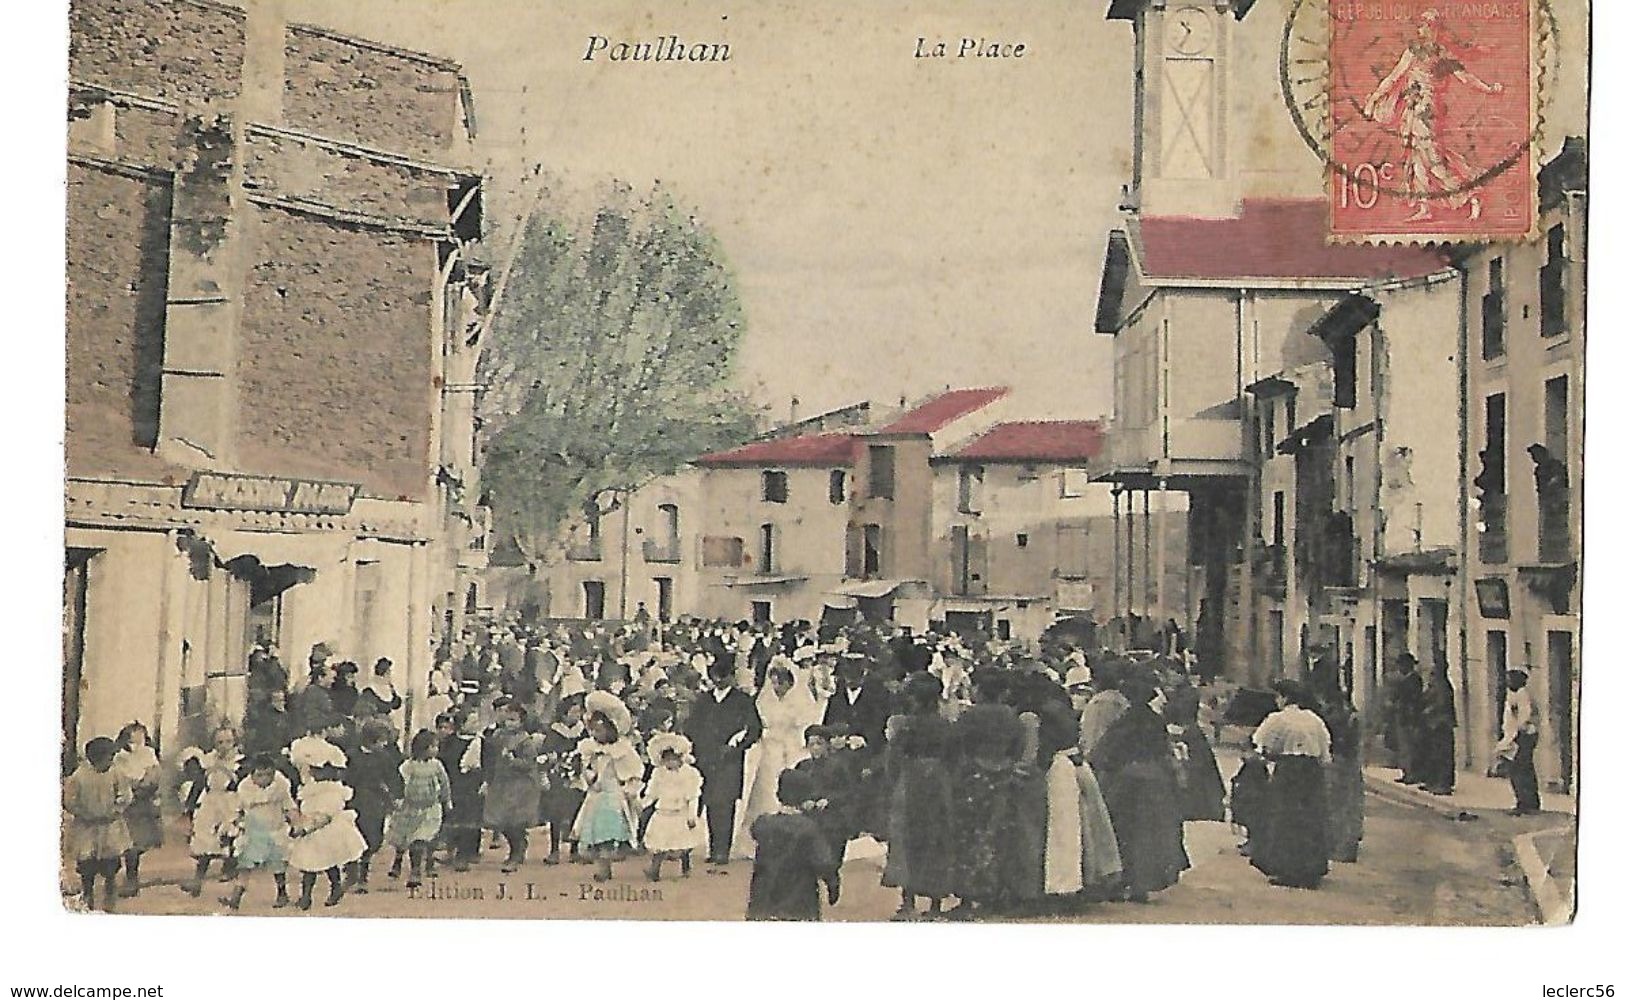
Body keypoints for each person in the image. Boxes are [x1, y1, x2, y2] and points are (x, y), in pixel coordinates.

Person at [1090, 674, 1189, 902]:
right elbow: (1165, 751)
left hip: (1128, 779)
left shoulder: (1125, 722)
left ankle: (1121, 881)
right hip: (1156, 780)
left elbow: (1107, 752)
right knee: (1150, 833)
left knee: (1123, 830)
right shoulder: (1156, 722)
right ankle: (1141, 885)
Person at [881, 672, 956, 920]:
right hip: (940, 782)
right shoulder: (946, 725)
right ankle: (935, 904)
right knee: (938, 837)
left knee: (906, 837)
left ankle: (908, 901)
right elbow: (954, 757)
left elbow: (892, 759)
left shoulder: (907, 726)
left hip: (911, 780)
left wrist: (895, 781)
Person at [1249, 680, 1333, 889]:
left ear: (1284, 698)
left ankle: (1289, 871)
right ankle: (1311, 870)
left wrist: (1269, 755)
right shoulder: (1315, 720)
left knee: (1286, 818)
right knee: (1310, 819)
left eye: (1278, 696)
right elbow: (1325, 755)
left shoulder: (1278, 719)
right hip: (1312, 773)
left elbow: (1262, 745)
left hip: (1290, 771)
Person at [735, 661, 821, 859]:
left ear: (789, 683)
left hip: (792, 747)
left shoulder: (801, 700)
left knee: (792, 785)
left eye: (779, 683)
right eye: (772, 683)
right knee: (765, 790)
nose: (775, 687)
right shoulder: (765, 700)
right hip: (771, 748)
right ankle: (757, 842)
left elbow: (805, 722)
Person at [684, 659, 762, 866]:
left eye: (723, 677)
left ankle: (722, 851)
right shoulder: (703, 700)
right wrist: (696, 746)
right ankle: (712, 847)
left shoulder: (743, 700)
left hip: (729, 761)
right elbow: (691, 726)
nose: (718, 681)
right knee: (709, 803)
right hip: (705, 758)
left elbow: (754, 729)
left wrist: (738, 747)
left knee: (724, 804)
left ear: (731, 677)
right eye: (715, 677)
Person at [746, 769, 841, 921]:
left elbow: (755, 832)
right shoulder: (809, 828)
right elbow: (824, 863)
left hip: (763, 897)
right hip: (799, 899)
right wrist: (833, 884)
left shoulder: (764, 823)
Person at [573, 691, 644, 882]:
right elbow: (586, 769)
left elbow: (634, 770)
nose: (595, 734)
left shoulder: (621, 749)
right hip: (596, 796)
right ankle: (603, 865)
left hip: (612, 796)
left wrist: (631, 789)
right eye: (593, 730)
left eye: (599, 730)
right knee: (595, 834)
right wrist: (586, 775)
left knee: (607, 833)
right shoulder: (589, 748)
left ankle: (604, 868)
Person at [288, 754, 368, 910]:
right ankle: (306, 896)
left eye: (319, 770)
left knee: (327, 862)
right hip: (311, 830)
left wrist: (306, 828)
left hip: (325, 832)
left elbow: (325, 816)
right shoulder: (309, 790)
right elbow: (304, 808)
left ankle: (334, 888)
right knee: (308, 865)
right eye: (313, 769)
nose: (314, 772)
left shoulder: (333, 791)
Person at [63, 736, 132, 911]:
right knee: (87, 863)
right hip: (87, 827)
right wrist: (84, 813)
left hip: (109, 826)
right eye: (108, 757)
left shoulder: (116, 773)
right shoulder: (79, 776)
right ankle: (87, 893)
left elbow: (125, 795)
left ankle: (110, 890)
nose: (110, 761)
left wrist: (115, 810)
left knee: (110, 862)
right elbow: (70, 800)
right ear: (96, 758)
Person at [221, 754, 297, 910]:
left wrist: (295, 821)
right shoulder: (245, 788)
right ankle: (236, 897)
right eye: (260, 775)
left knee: (278, 865)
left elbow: (289, 806)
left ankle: (282, 893)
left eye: (269, 774)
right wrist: (231, 825)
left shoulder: (281, 786)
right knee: (245, 865)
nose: (265, 779)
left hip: (275, 829)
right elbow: (237, 810)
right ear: (252, 774)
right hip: (253, 832)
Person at [482, 696, 545, 874]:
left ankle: (516, 853)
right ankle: (516, 845)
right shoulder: (498, 736)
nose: (509, 723)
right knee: (500, 821)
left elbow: (529, 764)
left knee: (515, 821)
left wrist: (513, 760)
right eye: (507, 719)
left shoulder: (526, 741)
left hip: (521, 786)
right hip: (502, 783)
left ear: (521, 722)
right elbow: (491, 758)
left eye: (513, 720)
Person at [388, 730, 453, 889]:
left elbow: (444, 783)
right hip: (410, 807)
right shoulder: (408, 766)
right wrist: (397, 799)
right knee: (404, 839)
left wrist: (447, 800)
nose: (436, 749)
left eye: (436, 746)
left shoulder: (436, 765)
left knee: (422, 838)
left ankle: (416, 870)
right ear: (422, 748)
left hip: (430, 807)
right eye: (433, 746)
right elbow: (399, 783)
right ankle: (398, 860)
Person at [346, 720, 402, 894]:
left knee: (374, 839)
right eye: (381, 740)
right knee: (356, 838)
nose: (384, 744)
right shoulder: (352, 755)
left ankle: (361, 867)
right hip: (355, 801)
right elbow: (346, 778)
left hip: (376, 802)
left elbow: (394, 777)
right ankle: (357, 875)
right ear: (370, 740)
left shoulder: (384, 757)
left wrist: (397, 795)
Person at [640, 733, 705, 881]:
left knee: (683, 843)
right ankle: (654, 869)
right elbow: (653, 792)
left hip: (680, 813)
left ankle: (686, 864)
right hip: (663, 812)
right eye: (666, 760)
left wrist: (691, 815)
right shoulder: (659, 773)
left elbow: (693, 796)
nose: (669, 763)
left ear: (680, 758)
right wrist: (643, 803)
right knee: (659, 843)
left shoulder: (689, 774)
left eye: (673, 759)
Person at [112, 721, 162, 898]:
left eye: (140, 739)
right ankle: (126, 877)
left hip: (142, 803)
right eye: (132, 740)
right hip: (126, 805)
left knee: (138, 843)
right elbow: (118, 777)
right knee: (126, 843)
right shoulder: (119, 757)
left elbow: (154, 774)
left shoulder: (148, 754)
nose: (137, 745)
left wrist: (144, 785)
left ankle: (132, 877)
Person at [434, 711, 483, 871]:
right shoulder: (450, 742)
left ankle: (464, 855)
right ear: (461, 724)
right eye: (472, 721)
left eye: (477, 722)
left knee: (469, 821)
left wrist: (486, 782)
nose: (476, 725)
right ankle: (450, 850)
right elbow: (443, 761)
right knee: (452, 818)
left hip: (472, 787)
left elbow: (488, 765)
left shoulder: (481, 743)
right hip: (453, 784)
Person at [1496, 667, 1542, 815]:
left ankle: (1525, 802)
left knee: (1520, 770)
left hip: (1522, 736)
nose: (1507, 682)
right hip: (1517, 735)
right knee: (1522, 769)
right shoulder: (1515, 695)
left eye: (1510, 679)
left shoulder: (1523, 695)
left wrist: (1513, 739)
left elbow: (1524, 717)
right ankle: (1527, 801)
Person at [1384, 654, 1424, 784]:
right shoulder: (1405, 680)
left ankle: (1411, 774)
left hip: (1409, 718)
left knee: (1409, 747)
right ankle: (1406, 773)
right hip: (1403, 717)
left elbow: (1412, 700)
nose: (1399, 668)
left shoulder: (1413, 680)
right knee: (1403, 747)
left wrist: (1397, 705)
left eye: (1401, 665)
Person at [1419, 662, 1457, 795]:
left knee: (1442, 755)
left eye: (1433, 673)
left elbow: (1441, 704)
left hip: (1441, 724)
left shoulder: (1443, 686)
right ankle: (1433, 781)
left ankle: (1443, 784)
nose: (1431, 676)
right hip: (1433, 724)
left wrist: (1428, 710)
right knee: (1433, 754)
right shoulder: (1434, 686)